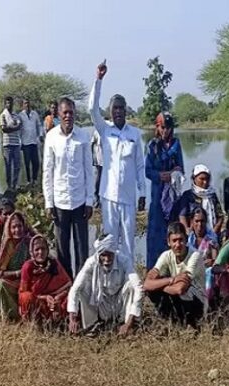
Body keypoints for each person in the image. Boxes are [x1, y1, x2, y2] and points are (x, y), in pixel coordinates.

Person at [89, 61, 146, 260]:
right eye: (115, 108)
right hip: (109, 196)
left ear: (126, 110)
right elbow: (91, 109)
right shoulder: (105, 130)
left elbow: (140, 165)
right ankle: (111, 281)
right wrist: (98, 79)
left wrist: (142, 193)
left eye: (121, 108)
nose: (118, 111)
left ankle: (130, 283)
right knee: (110, 242)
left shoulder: (135, 134)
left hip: (129, 198)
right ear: (110, 111)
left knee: (129, 243)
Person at [42, 97, 94, 278]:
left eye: (71, 112)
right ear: (58, 113)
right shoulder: (51, 137)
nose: (68, 116)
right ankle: (67, 288)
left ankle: (82, 288)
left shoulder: (83, 137)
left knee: (82, 250)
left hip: (80, 201)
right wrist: (49, 203)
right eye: (65, 112)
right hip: (60, 202)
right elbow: (47, 172)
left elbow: (89, 170)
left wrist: (89, 201)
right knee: (62, 250)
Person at [67, 234, 144, 336]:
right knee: (83, 287)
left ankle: (126, 324)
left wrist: (129, 323)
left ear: (114, 252)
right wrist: (72, 318)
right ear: (98, 254)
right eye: (103, 255)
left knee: (131, 286)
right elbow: (75, 289)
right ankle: (91, 326)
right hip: (101, 305)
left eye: (109, 254)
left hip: (119, 304)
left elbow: (139, 287)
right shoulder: (91, 262)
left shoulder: (123, 260)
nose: (107, 259)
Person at [144, 222, 207, 328]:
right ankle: (173, 324)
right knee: (151, 291)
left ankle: (190, 325)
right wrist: (172, 280)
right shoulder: (166, 255)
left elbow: (180, 289)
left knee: (180, 291)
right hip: (177, 298)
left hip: (196, 304)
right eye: (174, 241)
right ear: (168, 242)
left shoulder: (194, 256)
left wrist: (160, 285)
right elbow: (146, 284)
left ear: (186, 240)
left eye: (181, 240)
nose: (178, 245)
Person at [145, 111, 185, 268]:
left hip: (173, 196)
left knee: (173, 231)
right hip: (157, 196)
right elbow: (148, 172)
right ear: (157, 127)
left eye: (168, 127)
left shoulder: (176, 144)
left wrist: (174, 173)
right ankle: (153, 269)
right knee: (156, 234)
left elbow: (181, 168)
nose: (165, 131)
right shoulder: (152, 146)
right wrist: (163, 175)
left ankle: (173, 268)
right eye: (162, 127)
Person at [0, 212, 33, 320]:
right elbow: (0, 273)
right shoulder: (7, 246)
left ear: (24, 226)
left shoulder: (30, 243)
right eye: (14, 227)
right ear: (9, 229)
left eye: (19, 226)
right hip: (12, 281)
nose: (17, 230)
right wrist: (18, 273)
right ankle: (11, 316)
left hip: (30, 280)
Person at [18, 235, 72, 324]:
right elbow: (23, 291)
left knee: (72, 296)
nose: (40, 252)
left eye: (43, 249)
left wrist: (57, 297)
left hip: (56, 300)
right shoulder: (28, 266)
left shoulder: (54, 263)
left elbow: (67, 285)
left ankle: (64, 323)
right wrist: (45, 297)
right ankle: (36, 323)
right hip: (38, 301)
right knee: (26, 297)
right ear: (31, 251)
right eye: (37, 249)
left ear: (47, 249)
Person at [175, 164, 225, 236]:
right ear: (194, 179)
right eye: (202, 179)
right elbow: (182, 216)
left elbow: (220, 216)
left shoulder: (212, 195)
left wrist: (214, 232)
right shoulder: (188, 195)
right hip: (194, 234)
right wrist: (187, 230)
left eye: (207, 179)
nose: (205, 182)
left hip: (212, 234)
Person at [18, 99, 44, 186]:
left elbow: (39, 125)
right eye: (25, 103)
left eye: (28, 103)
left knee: (36, 162)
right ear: (23, 105)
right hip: (25, 142)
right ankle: (29, 181)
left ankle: (35, 179)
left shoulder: (34, 113)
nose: (27, 105)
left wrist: (40, 135)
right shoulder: (20, 115)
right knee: (27, 163)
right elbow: (19, 130)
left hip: (34, 141)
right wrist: (20, 141)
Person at [0, 96, 23, 191]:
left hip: (16, 143)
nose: (9, 105)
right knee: (8, 166)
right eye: (7, 103)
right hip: (7, 145)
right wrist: (14, 127)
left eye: (11, 103)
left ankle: (14, 185)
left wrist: (11, 127)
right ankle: (9, 186)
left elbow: (20, 125)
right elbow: (4, 129)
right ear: (5, 104)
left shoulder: (16, 115)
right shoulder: (3, 115)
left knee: (17, 166)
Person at [91, 130, 103, 208]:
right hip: (102, 158)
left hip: (99, 158)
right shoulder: (110, 128)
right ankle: (97, 198)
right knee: (99, 177)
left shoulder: (96, 131)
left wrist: (92, 156)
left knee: (98, 176)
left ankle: (97, 197)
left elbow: (91, 144)